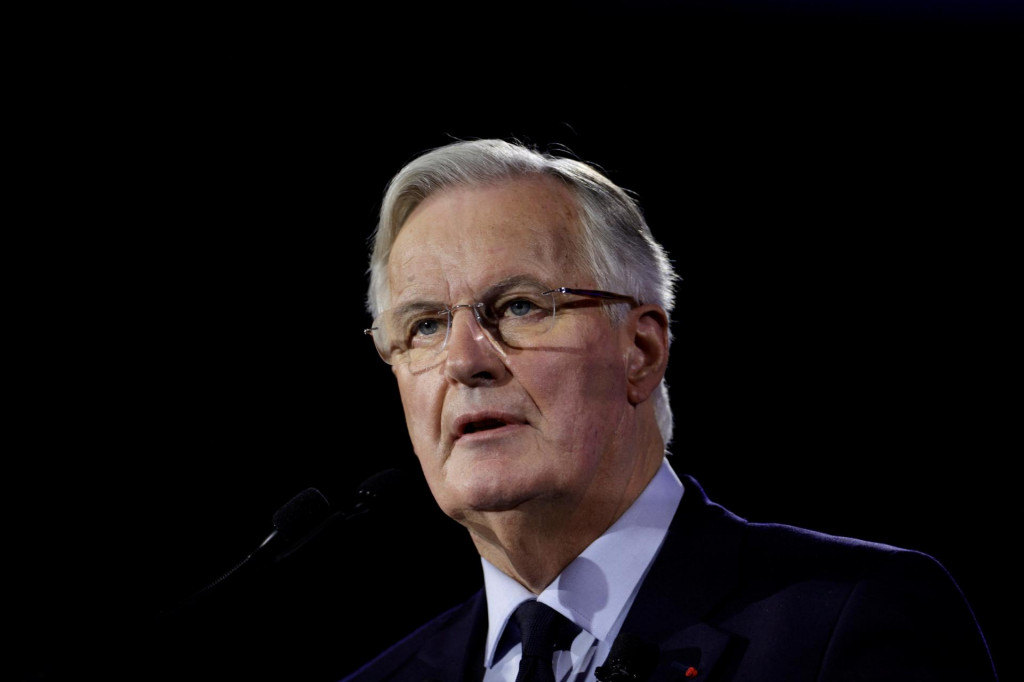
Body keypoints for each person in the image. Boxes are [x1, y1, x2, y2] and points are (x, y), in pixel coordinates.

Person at [343, 138, 997, 682]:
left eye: (518, 306)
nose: (464, 359)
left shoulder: (851, 621)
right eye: (425, 325)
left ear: (642, 349)